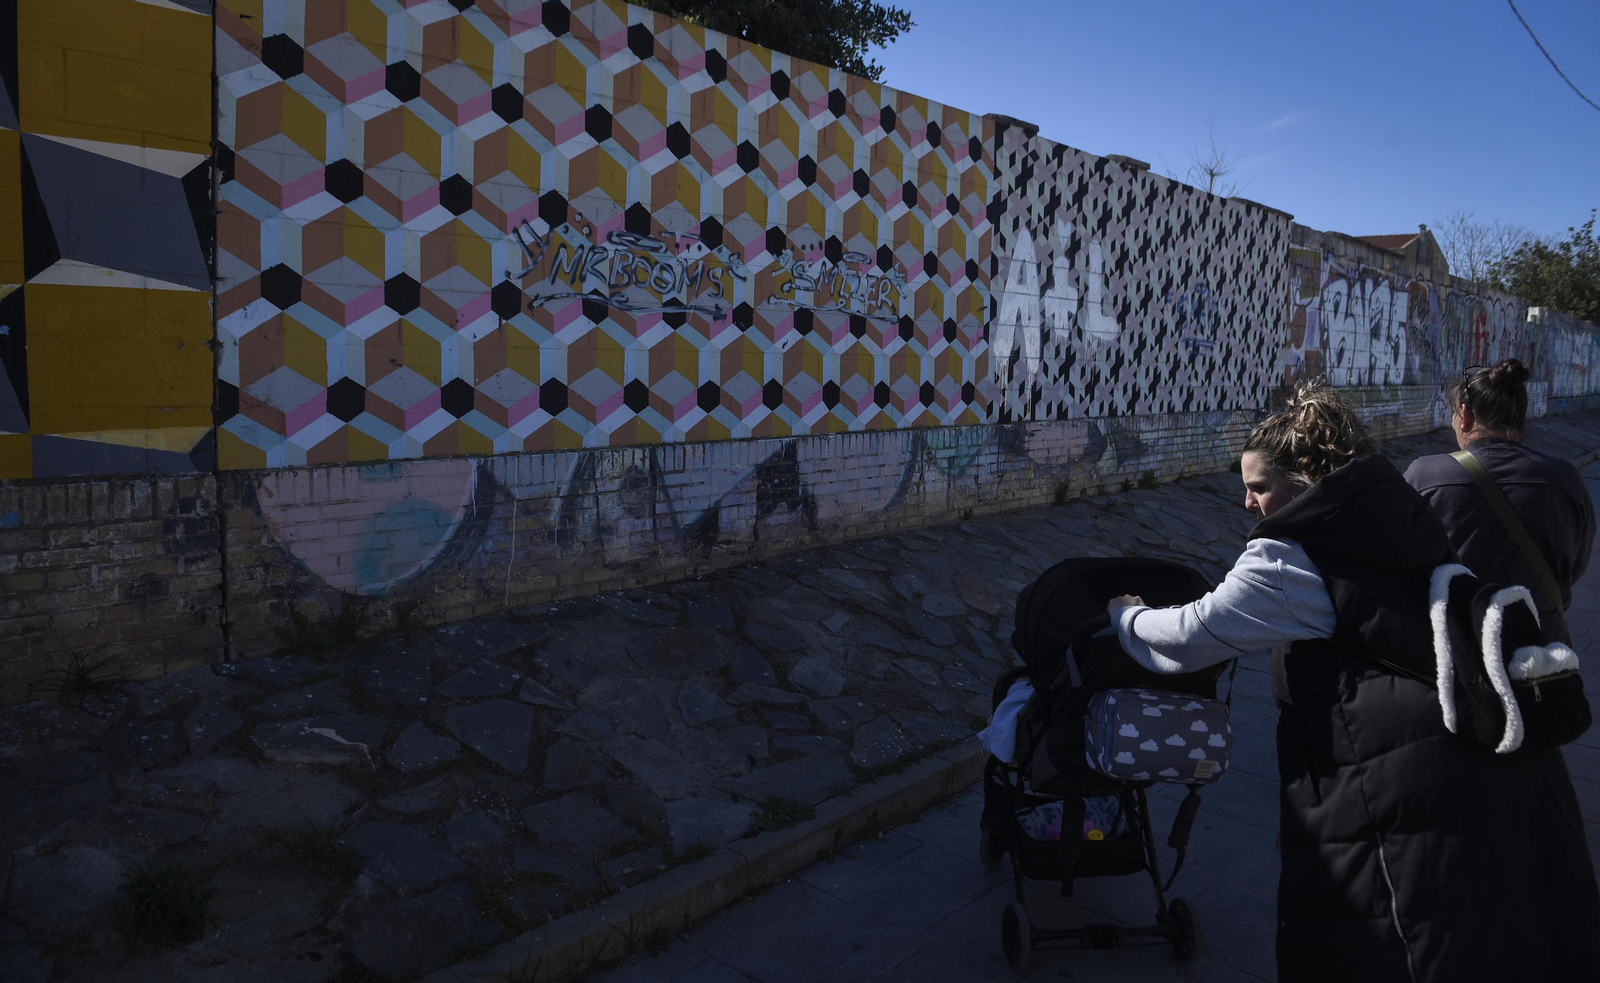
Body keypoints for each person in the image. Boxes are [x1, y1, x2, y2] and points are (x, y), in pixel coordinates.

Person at [1105, 379, 1598, 983]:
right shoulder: (1395, 511)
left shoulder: (1291, 559)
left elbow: (1185, 635)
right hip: (1487, 769)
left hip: (1395, 792)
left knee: (1388, 947)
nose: (1248, 504)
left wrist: (1124, 614)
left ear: (1306, 478)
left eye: (1259, 487)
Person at [1404, 358, 1594, 642]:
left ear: (1465, 415)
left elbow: (1398, 557)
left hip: (1455, 645)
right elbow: (1576, 564)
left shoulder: (1425, 475)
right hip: (1542, 648)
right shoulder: (1567, 479)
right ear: (1520, 416)